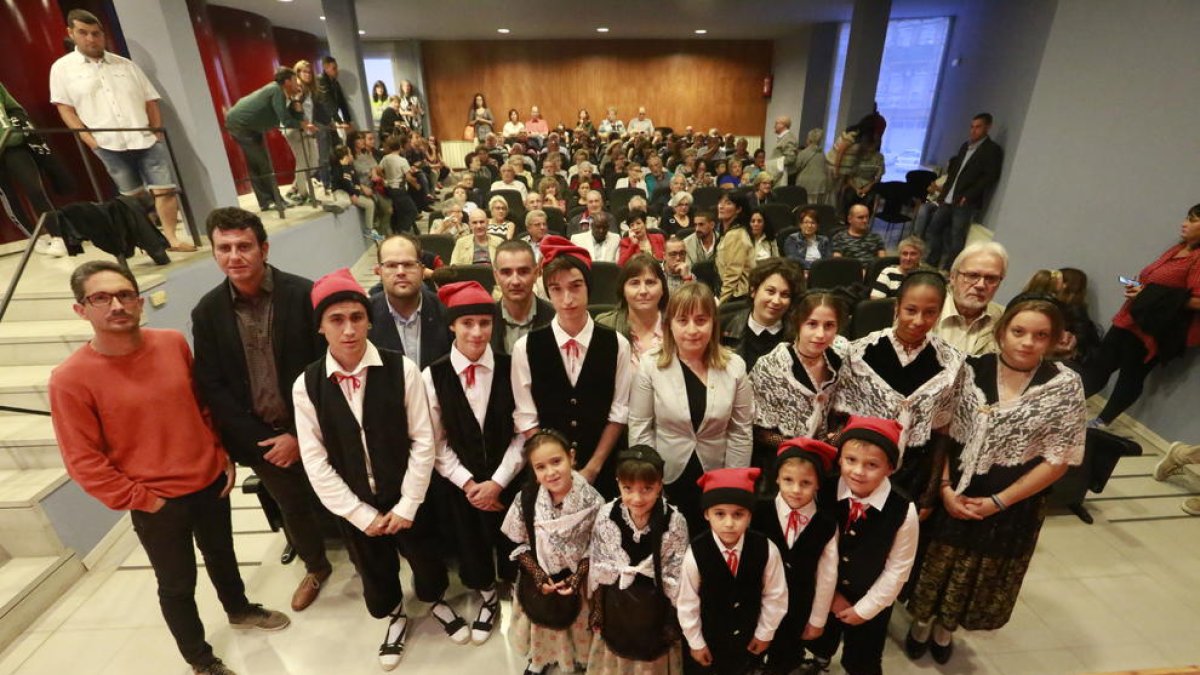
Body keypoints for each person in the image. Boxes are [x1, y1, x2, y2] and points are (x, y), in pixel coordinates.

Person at [50, 260, 290, 675]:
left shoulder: (171, 343)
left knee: (222, 554)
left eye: (125, 295)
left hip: (208, 480)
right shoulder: (70, 379)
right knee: (177, 584)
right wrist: (143, 500)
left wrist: (220, 456)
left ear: (140, 302)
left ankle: (238, 608)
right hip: (156, 501)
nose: (117, 305)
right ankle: (200, 660)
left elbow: (201, 406)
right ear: (81, 309)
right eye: (101, 298)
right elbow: (83, 460)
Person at [906, 295, 1085, 664]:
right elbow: (944, 433)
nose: (1027, 342)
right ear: (1002, 332)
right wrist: (943, 489)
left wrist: (999, 501)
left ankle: (945, 630)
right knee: (935, 567)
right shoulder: (968, 369)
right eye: (1019, 331)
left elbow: (1059, 458)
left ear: (1052, 341)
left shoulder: (1064, 386)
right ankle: (921, 624)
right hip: (953, 494)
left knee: (976, 575)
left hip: (1011, 505)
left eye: (1040, 335)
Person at [190, 207, 334, 611]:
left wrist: (299, 433)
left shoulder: (304, 294)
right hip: (262, 437)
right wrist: (263, 439)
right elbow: (213, 385)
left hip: (317, 425)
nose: (234, 256)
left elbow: (327, 365)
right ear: (214, 252)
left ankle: (368, 560)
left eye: (243, 246)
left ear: (263, 248)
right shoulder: (207, 312)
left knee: (344, 494)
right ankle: (316, 566)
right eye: (224, 248)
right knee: (293, 507)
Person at [292, 268, 436, 671]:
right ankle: (393, 615)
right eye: (336, 320)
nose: (350, 329)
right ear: (321, 327)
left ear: (370, 319)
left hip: (407, 491)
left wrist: (408, 504)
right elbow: (315, 459)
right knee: (373, 568)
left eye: (357, 318)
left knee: (425, 557)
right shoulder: (307, 385)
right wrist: (358, 513)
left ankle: (434, 600)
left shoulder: (401, 368)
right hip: (355, 499)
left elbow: (423, 440)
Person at [421, 281, 525, 646]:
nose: (477, 332)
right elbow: (434, 443)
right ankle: (487, 597)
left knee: (513, 540)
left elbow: (524, 432)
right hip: (460, 486)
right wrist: (469, 484)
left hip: (508, 480)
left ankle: (518, 593)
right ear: (452, 326)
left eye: (484, 322)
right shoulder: (431, 376)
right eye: (467, 324)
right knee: (472, 544)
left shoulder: (512, 367)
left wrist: (497, 482)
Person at [50, 9, 192, 250]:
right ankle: (150, 241)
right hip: (106, 143)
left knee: (165, 188)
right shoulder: (62, 69)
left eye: (96, 33)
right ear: (71, 33)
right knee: (132, 197)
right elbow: (65, 108)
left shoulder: (126, 65)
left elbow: (150, 99)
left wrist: (156, 132)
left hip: (144, 138)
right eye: (83, 33)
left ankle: (171, 237)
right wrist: (87, 138)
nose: (91, 39)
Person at [833, 272, 967, 511]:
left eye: (930, 312)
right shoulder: (860, 353)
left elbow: (941, 432)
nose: (918, 320)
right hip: (860, 470)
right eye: (911, 310)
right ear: (897, 307)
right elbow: (841, 420)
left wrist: (930, 491)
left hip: (914, 473)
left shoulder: (951, 363)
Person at [512, 237, 633, 498]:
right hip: (547, 476)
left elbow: (618, 413)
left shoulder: (617, 344)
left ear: (589, 287)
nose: (567, 299)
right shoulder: (526, 348)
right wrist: (551, 469)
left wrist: (592, 467)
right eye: (556, 289)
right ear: (547, 292)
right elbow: (526, 416)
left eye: (575, 286)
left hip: (602, 472)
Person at [629, 282, 755, 532]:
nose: (692, 330)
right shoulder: (650, 365)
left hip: (716, 474)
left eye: (701, 320)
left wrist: (730, 484)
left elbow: (741, 431)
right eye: (682, 320)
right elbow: (640, 428)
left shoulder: (735, 366)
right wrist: (649, 481)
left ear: (713, 323)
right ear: (669, 325)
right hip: (666, 474)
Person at [807, 417, 918, 675]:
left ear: (890, 468)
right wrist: (829, 595)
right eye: (850, 460)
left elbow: (898, 568)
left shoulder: (903, 509)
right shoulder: (823, 492)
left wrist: (865, 609)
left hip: (872, 599)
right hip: (825, 591)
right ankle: (819, 661)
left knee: (863, 659)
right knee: (818, 639)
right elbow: (809, 547)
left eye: (872, 465)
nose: (858, 471)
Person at [1084, 204, 1200, 428]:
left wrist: (1152, 296)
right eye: (1187, 218)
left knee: (1131, 375)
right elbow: (1156, 283)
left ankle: (1101, 422)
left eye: (1193, 220)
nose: (1184, 224)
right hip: (1130, 317)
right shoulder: (1177, 249)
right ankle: (1065, 405)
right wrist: (1140, 289)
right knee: (1101, 364)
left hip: (1152, 329)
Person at [502, 430, 605, 675]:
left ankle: (578, 659)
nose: (551, 472)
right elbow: (518, 544)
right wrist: (537, 575)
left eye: (556, 461)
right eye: (541, 467)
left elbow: (599, 546)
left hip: (577, 581)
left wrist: (578, 575)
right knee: (542, 624)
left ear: (571, 457)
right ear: (533, 471)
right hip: (541, 578)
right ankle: (540, 659)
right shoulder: (525, 499)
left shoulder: (593, 500)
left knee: (577, 623)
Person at [586, 446, 690, 674]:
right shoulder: (606, 515)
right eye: (628, 488)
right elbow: (599, 565)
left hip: (655, 605)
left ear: (660, 485)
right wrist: (598, 610)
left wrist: (672, 620)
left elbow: (677, 574)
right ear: (617, 483)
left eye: (647, 489)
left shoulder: (675, 522)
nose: (637, 498)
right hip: (617, 604)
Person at [675, 467, 788, 674]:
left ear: (750, 516)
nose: (729, 523)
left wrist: (764, 633)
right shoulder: (695, 554)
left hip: (748, 640)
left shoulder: (767, 549)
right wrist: (696, 642)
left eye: (738, 514)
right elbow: (687, 602)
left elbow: (776, 595)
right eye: (720, 514)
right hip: (709, 642)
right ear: (707, 514)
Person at [751, 439, 839, 675]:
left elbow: (827, 575)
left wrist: (817, 619)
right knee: (750, 655)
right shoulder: (758, 512)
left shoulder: (826, 524)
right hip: (756, 604)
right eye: (788, 480)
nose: (796, 490)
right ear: (777, 477)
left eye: (806, 483)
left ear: (818, 484)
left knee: (785, 657)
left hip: (797, 607)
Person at [751, 292, 848, 447]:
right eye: (812, 324)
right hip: (780, 456)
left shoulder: (840, 358)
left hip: (828, 452)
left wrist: (836, 437)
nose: (820, 334)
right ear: (798, 324)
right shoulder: (770, 366)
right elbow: (759, 432)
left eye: (829, 325)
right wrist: (799, 446)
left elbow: (844, 416)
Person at [923, 113, 1004, 270]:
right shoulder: (965, 146)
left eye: (978, 127)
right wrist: (943, 194)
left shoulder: (992, 150)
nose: (973, 131)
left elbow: (991, 176)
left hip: (965, 201)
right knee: (934, 228)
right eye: (972, 127)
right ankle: (932, 261)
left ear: (988, 127)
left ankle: (949, 269)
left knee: (956, 237)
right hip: (948, 198)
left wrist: (969, 195)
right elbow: (954, 173)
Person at [0, 80, 67, 255]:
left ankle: (58, 237)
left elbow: (15, 109)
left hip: (13, 144)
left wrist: (16, 126)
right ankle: (33, 238)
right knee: (9, 199)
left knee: (35, 189)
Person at [369, 234, 452, 368]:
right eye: (391, 265)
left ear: (422, 270)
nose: (401, 272)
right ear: (379, 271)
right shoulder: (365, 317)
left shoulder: (447, 311)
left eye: (408, 264)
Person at [721, 258, 804, 371]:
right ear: (753, 291)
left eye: (785, 295)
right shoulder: (722, 328)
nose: (776, 301)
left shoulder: (799, 336)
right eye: (770, 291)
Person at [933, 241, 1009, 355]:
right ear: (953, 277)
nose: (981, 285)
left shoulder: (1005, 321)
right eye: (972, 275)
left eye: (991, 278)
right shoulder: (925, 311)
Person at [596, 254, 669, 362]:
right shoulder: (605, 326)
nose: (643, 291)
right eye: (635, 283)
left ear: (663, 288)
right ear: (623, 290)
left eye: (650, 282)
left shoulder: (675, 325)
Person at [492, 240, 555, 354]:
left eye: (523, 272)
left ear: (536, 274)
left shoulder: (556, 319)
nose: (515, 281)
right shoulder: (484, 321)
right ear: (496, 277)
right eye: (506, 272)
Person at [282, 60, 320, 206]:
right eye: (304, 71)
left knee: (312, 162)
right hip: (296, 129)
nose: (308, 74)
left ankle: (295, 189)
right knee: (304, 162)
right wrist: (305, 124)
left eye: (309, 72)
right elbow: (295, 108)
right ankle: (303, 194)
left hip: (305, 128)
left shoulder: (307, 89)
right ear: (297, 73)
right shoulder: (298, 88)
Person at [327, 146, 379, 237]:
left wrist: (356, 193)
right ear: (345, 156)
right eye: (350, 154)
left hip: (352, 193)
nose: (352, 155)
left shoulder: (350, 167)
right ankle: (333, 206)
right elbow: (345, 184)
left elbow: (356, 182)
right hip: (341, 192)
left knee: (370, 202)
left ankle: (370, 229)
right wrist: (352, 194)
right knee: (345, 200)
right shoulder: (338, 169)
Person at [715, 193, 754, 302]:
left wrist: (721, 303)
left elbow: (733, 273)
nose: (721, 206)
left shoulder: (736, 234)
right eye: (720, 202)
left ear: (738, 209)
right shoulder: (728, 233)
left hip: (737, 296)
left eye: (728, 203)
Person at [379, 136, 420, 234]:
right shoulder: (402, 161)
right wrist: (416, 184)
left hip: (389, 189)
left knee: (399, 212)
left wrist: (384, 177)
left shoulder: (385, 158)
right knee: (412, 212)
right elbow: (409, 178)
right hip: (399, 189)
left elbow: (378, 169)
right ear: (400, 147)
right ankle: (403, 230)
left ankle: (399, 230)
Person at [794, 128, 829, 205]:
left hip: (806, 185)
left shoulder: (803, 153)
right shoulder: (822, 154)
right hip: (821, 186)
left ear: (809, 139)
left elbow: (796, 167)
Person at [770, 116, 799, 185]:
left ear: (783, 125)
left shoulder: (789, 138)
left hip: (785, 177)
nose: (774, 126)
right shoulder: (784, 137)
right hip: (781, 174)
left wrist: (773, 164)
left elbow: (790, 158)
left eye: (776, 123)